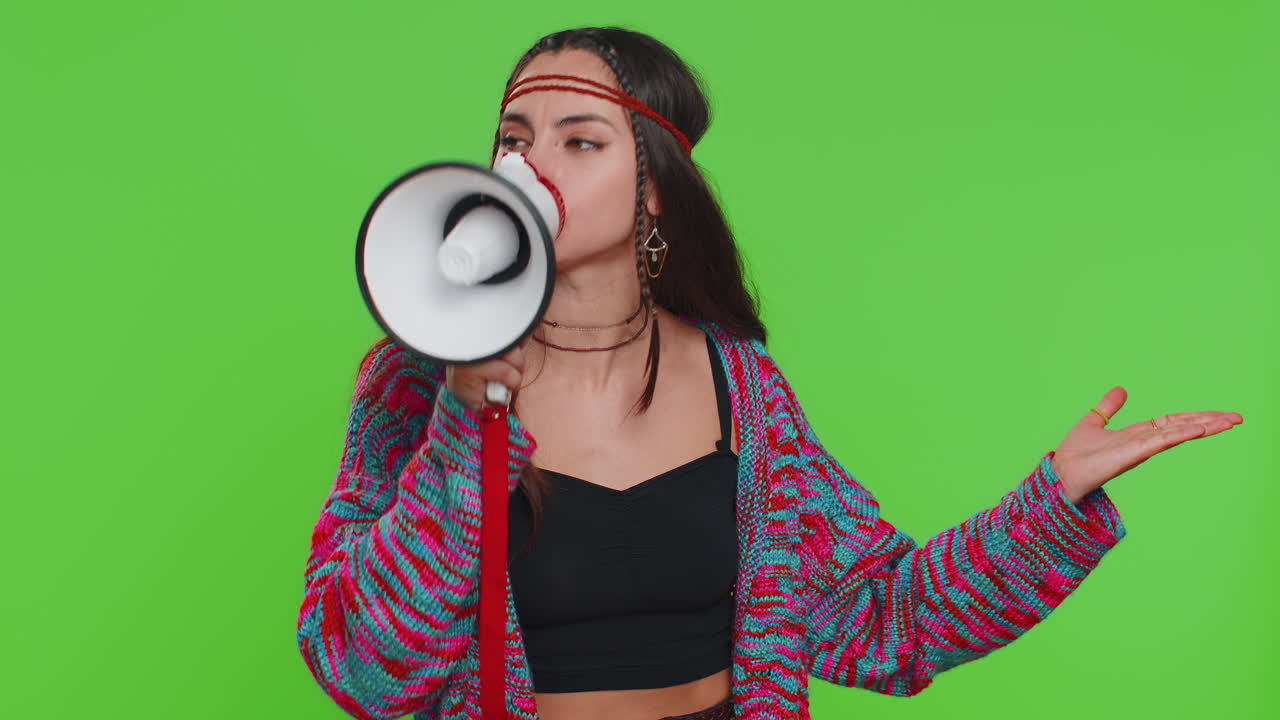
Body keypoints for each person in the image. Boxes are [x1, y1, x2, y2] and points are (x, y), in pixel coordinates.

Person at [295, 26, 1243, 720]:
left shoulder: (741, 386)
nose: (530, 165)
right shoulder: (416, 385)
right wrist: (464, 429)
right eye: (513, 138)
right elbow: (361, 667)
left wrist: (1053, 501)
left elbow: (880, 619)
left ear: (654, 187)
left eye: (579, 141)